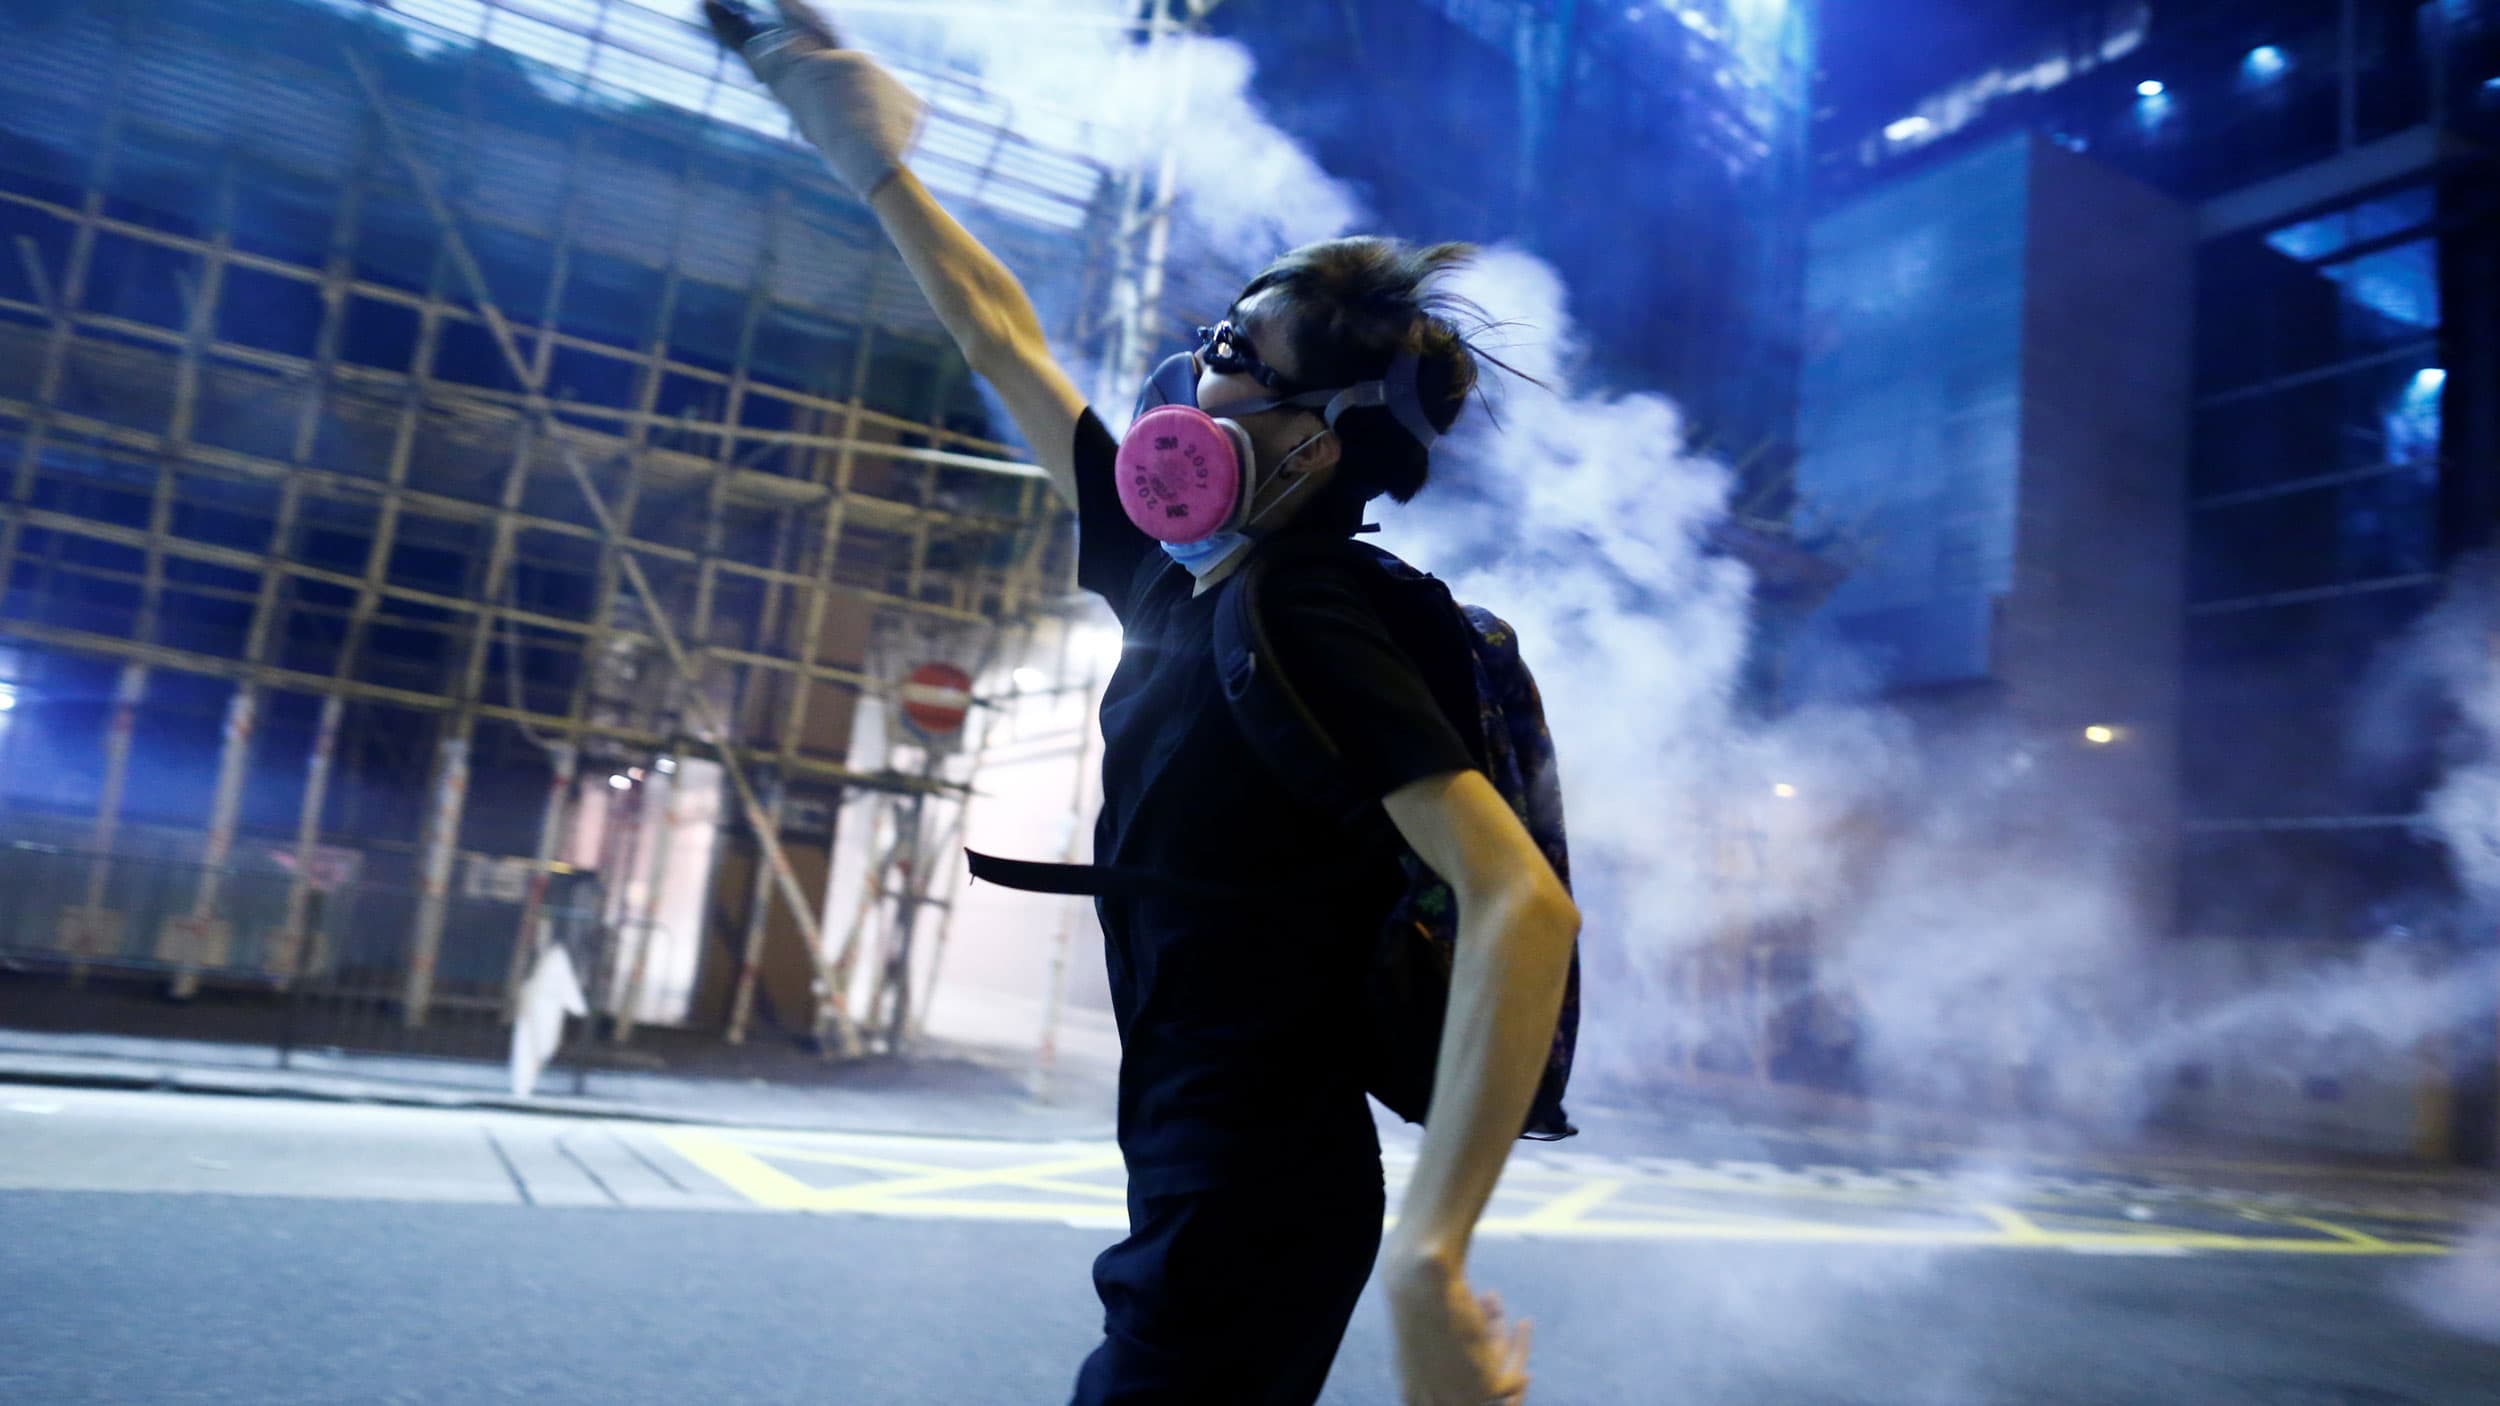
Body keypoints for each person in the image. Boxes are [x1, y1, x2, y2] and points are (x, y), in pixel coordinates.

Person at [703, 7, 1580, 1403]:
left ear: (1311, 435)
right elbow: (1007, 346)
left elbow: (1519, 900)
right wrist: (867, 154)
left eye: (1237, 349)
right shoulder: (1184, 580)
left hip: (1253, 1185)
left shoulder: (1305, 602)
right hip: (1196, 1157)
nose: (1197, 367)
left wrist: (1432, 1254)